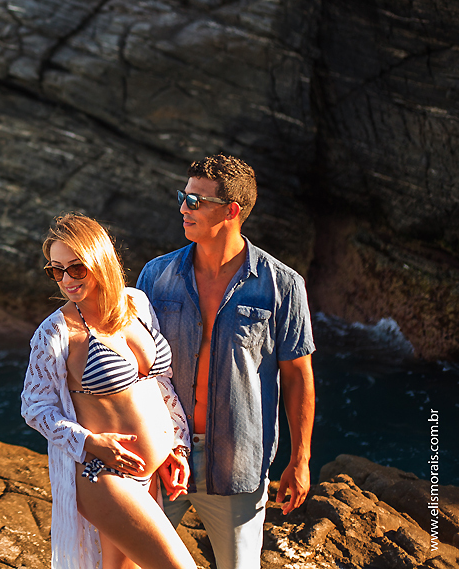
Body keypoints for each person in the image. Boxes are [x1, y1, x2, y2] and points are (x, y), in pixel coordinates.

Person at [137, 154, 315, 569]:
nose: (183, 207)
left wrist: (299, 459)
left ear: (232, 211)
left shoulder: (283, 286)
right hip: (163, 457)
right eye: (184, 197)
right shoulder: (155, 276)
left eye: (196, 200)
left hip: (238, 466)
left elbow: (298, 377)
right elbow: (134, 369)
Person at [22, 213, 196, 569]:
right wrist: (90, 442)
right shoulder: (55, 332)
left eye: (76, 268)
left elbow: (159, 384)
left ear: (100, 261)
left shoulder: (137, 303)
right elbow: (35, 407)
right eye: (56, 270)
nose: (66, 280)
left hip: (150, 472)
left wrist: (176, 446)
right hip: (105, 475)